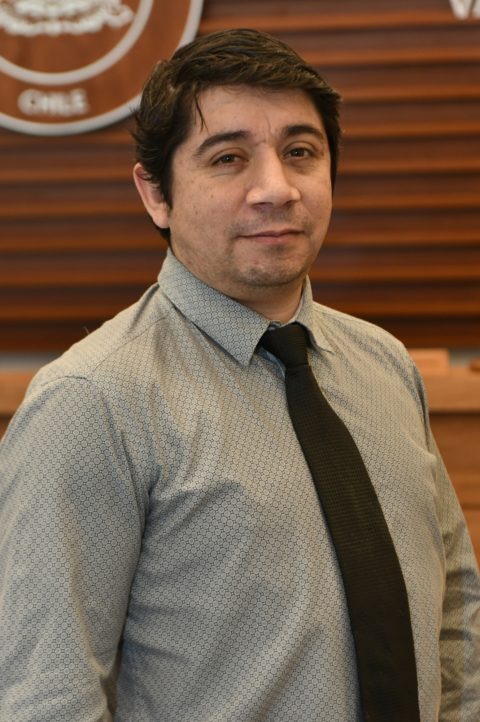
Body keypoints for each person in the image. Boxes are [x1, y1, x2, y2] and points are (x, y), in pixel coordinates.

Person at [0, 28, 479, 722]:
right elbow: (44, 697)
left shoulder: (385, 366)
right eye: (228, 158)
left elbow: (456, 618)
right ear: (156, 193)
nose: (276, 189)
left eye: (301, 152)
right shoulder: (91, 404)